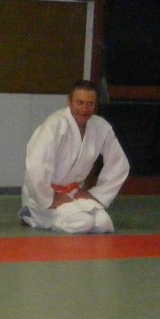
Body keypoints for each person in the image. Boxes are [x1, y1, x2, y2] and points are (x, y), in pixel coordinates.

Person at [19, 80, 129, 233]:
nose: (84, 109)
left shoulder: (101, 127)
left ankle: (58, 216)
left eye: (90, 104)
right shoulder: (55, 125)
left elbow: (119, 164)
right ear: (69, 102)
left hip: (74, 193)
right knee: (84, 222)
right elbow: (36, 166)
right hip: (45, 195)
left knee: (104, 223)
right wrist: (50, 199)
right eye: (80, 103)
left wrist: (95, 194)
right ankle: (32, 216)